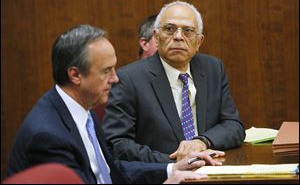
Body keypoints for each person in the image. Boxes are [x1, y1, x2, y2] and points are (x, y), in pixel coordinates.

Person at [6, 24, 224, 184]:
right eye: (106, 71)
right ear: (75, 75)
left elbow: (110, 170)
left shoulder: (82, 110)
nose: (115, 78)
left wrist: (171, 169)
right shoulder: (47, 137)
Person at [102, 1, 245, 163]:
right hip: (162, 174)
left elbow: (234, 126)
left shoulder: (213, 69)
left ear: (199, 42)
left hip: (212, 169)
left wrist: (201, 141)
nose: (178, 37)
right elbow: (117, 145)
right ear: (156, 37)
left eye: (188, 31)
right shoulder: (129, 79)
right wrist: (174, 163)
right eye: (169, 29)